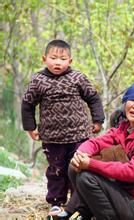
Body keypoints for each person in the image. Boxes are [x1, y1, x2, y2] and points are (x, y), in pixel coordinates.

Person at [21, 39, 105, 218]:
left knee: (77, 169)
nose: (58, 62)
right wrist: (31, 127)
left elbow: (93, 98)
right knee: (56, 170)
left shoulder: (78, 78)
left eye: (63, 58)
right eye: (53, 58)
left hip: (79, 135)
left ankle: (78, 203)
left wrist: (98, 120)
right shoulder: (38, 80)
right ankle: (56, 202)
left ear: (70, 61)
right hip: (52, 138)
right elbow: (27, 104)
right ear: (44, 58)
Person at [69, 83, 134, 219]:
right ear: (125, 104)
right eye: (132, 100)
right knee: (74, 166)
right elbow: (96, 143)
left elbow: (132, 172)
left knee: (86, 178)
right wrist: (81, 153)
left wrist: (91, 164)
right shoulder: (124, 128)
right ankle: (87, 213)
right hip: (124, 192)